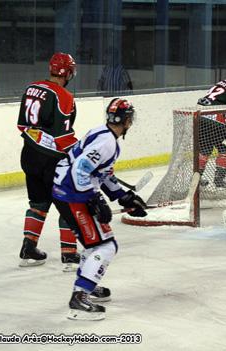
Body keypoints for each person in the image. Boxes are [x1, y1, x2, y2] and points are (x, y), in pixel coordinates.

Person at [52, 98, 147, 320]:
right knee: (106, 246)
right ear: (126, 120)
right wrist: (95, 201)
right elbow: (80, 170)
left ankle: (88, 282)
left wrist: (124, 197)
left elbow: (100, 173)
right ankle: (80, 297)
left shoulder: (101, 133)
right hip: (73, 195)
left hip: (66, 192)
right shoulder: (107, 143)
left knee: (93, 243)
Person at [16, 52, 80, 271]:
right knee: (69, 203)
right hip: (51, 161)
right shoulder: (64, 96)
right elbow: (62, 137)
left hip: (29, 155)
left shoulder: (31, 88)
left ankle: (28, 249)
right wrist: (81, 151)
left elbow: (22, 125)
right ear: (68, 72)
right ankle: (70, 256)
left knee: (38, 204)